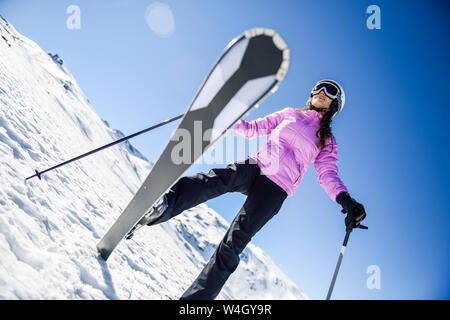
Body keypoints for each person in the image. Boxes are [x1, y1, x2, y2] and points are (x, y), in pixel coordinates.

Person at [127, 79, 367, 300]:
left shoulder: (327, 141)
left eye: (331, 92)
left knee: (233, 243)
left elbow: (327, 174)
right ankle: (163, 204)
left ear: (335, 104)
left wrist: (345, 200)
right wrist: (228, 118)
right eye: (320, 88)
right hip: (258, 165)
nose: (323, 93)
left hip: (276, 188)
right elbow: (252, 129)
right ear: (312, 94)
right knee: (216, 180)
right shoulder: (289, 114)